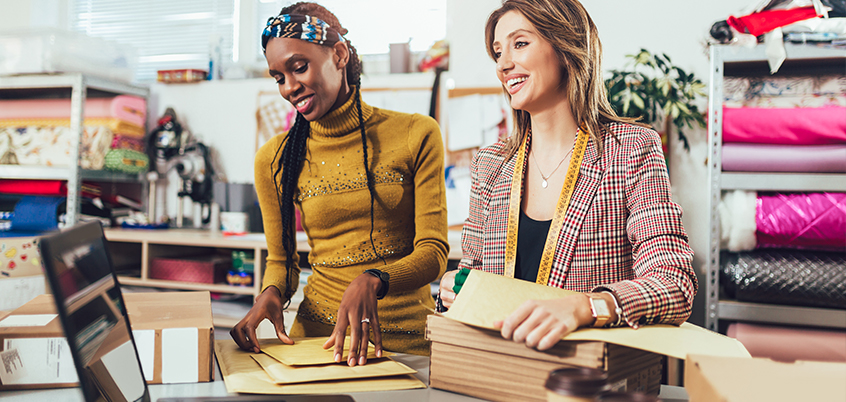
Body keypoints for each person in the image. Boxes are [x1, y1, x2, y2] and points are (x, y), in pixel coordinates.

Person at [439, 0, 698, 351]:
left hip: (582, 376)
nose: (503, 65)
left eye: (520, 44)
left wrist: (585, 306)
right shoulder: (491, 164)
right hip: (498, 371)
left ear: (563, 46)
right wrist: (455, 289)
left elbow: (674, 283)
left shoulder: (630, 150)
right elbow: (472, 275)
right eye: (497, 52)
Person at [232, 2, 448, 366]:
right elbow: (282, 261)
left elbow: (433, 252)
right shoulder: (274, 158)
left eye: (299, 68)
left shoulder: (415, 133)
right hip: (318, 343)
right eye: (278, 77)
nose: (289, 87)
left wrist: (375, 278)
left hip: (405, 345)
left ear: (340, 54)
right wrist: (270, 293)